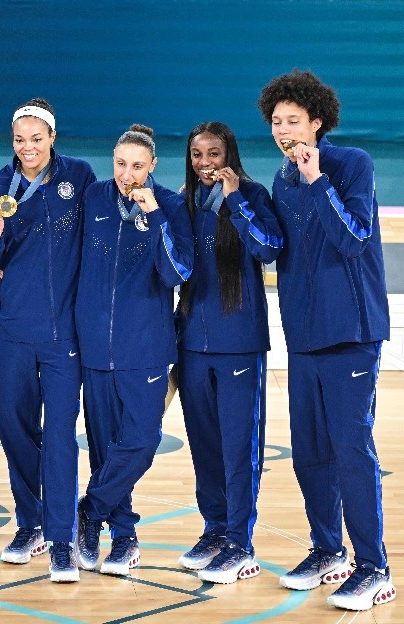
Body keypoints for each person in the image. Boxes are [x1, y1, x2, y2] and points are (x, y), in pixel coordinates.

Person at [258, 70, 395, 611]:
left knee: (351, 451)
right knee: (310, 452)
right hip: (304, 336)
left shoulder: (350, 165)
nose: (285, 130)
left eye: (294, 121)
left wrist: (318, 181)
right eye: (276, 122)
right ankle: (327, 550)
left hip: (352, 335)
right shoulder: (280, 180)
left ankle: (373, 566)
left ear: (317, 122)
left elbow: (354, 239)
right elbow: (278, 254)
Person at [0, 99, 95, 582]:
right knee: (12, 426)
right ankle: (31, 523)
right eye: (20, 139)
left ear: (52, 138)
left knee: (60, 436)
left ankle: (61, 539)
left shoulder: (78, 177)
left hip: (64, 333)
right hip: (13, 331)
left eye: (36, 138)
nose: (28, 148)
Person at [73, 124, 193, 577]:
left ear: (153, 166)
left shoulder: (172, 206)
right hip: (93, 349)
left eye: (138, 166)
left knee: (141, 442)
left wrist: (157, 214)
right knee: (105, 448)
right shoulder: (95, 198)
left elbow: (176, 272)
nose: (128, 174)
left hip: (145, 347)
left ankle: (89, 508)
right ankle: (123, 538)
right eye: (121, 164)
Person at [175, 122, 283, 584]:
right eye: (197, 155)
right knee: (205, 448)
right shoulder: (183, 201)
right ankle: (215, 530)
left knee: (240, 449)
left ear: (229, 156)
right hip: (192, 347)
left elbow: (268, 250)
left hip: (239, 343)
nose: (205, 163)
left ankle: (240, 542)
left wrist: (236, 199)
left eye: (214, 154)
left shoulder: (254, 196)